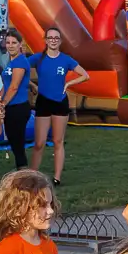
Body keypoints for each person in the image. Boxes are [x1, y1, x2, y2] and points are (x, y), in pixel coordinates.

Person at [30, 27, 88, 183]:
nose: (53, 40)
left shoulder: (66, 59)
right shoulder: (38, 58)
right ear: (46, 40)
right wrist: (32, 85)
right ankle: (32, 175)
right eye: (50, 38)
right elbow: (19, 69)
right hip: (43, 102)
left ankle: (57, 178)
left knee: (58, 141)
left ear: (60, 41)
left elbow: (85, 75)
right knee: (39, 142)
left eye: (56, 38)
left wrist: (69, 83)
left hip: (60, 103)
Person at [0, 29, 35, 171]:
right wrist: (0, 98)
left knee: (17, 142)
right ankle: (22, 169)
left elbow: (14, 86)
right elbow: (6, 84)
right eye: (8, 42)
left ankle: (23, 171)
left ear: (20, 44)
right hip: (11, 106)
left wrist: (3, 104)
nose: (10, 45)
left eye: (14, 43)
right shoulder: (11, 62)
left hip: (18, 106)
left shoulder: (20, 62)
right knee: (14, 141)